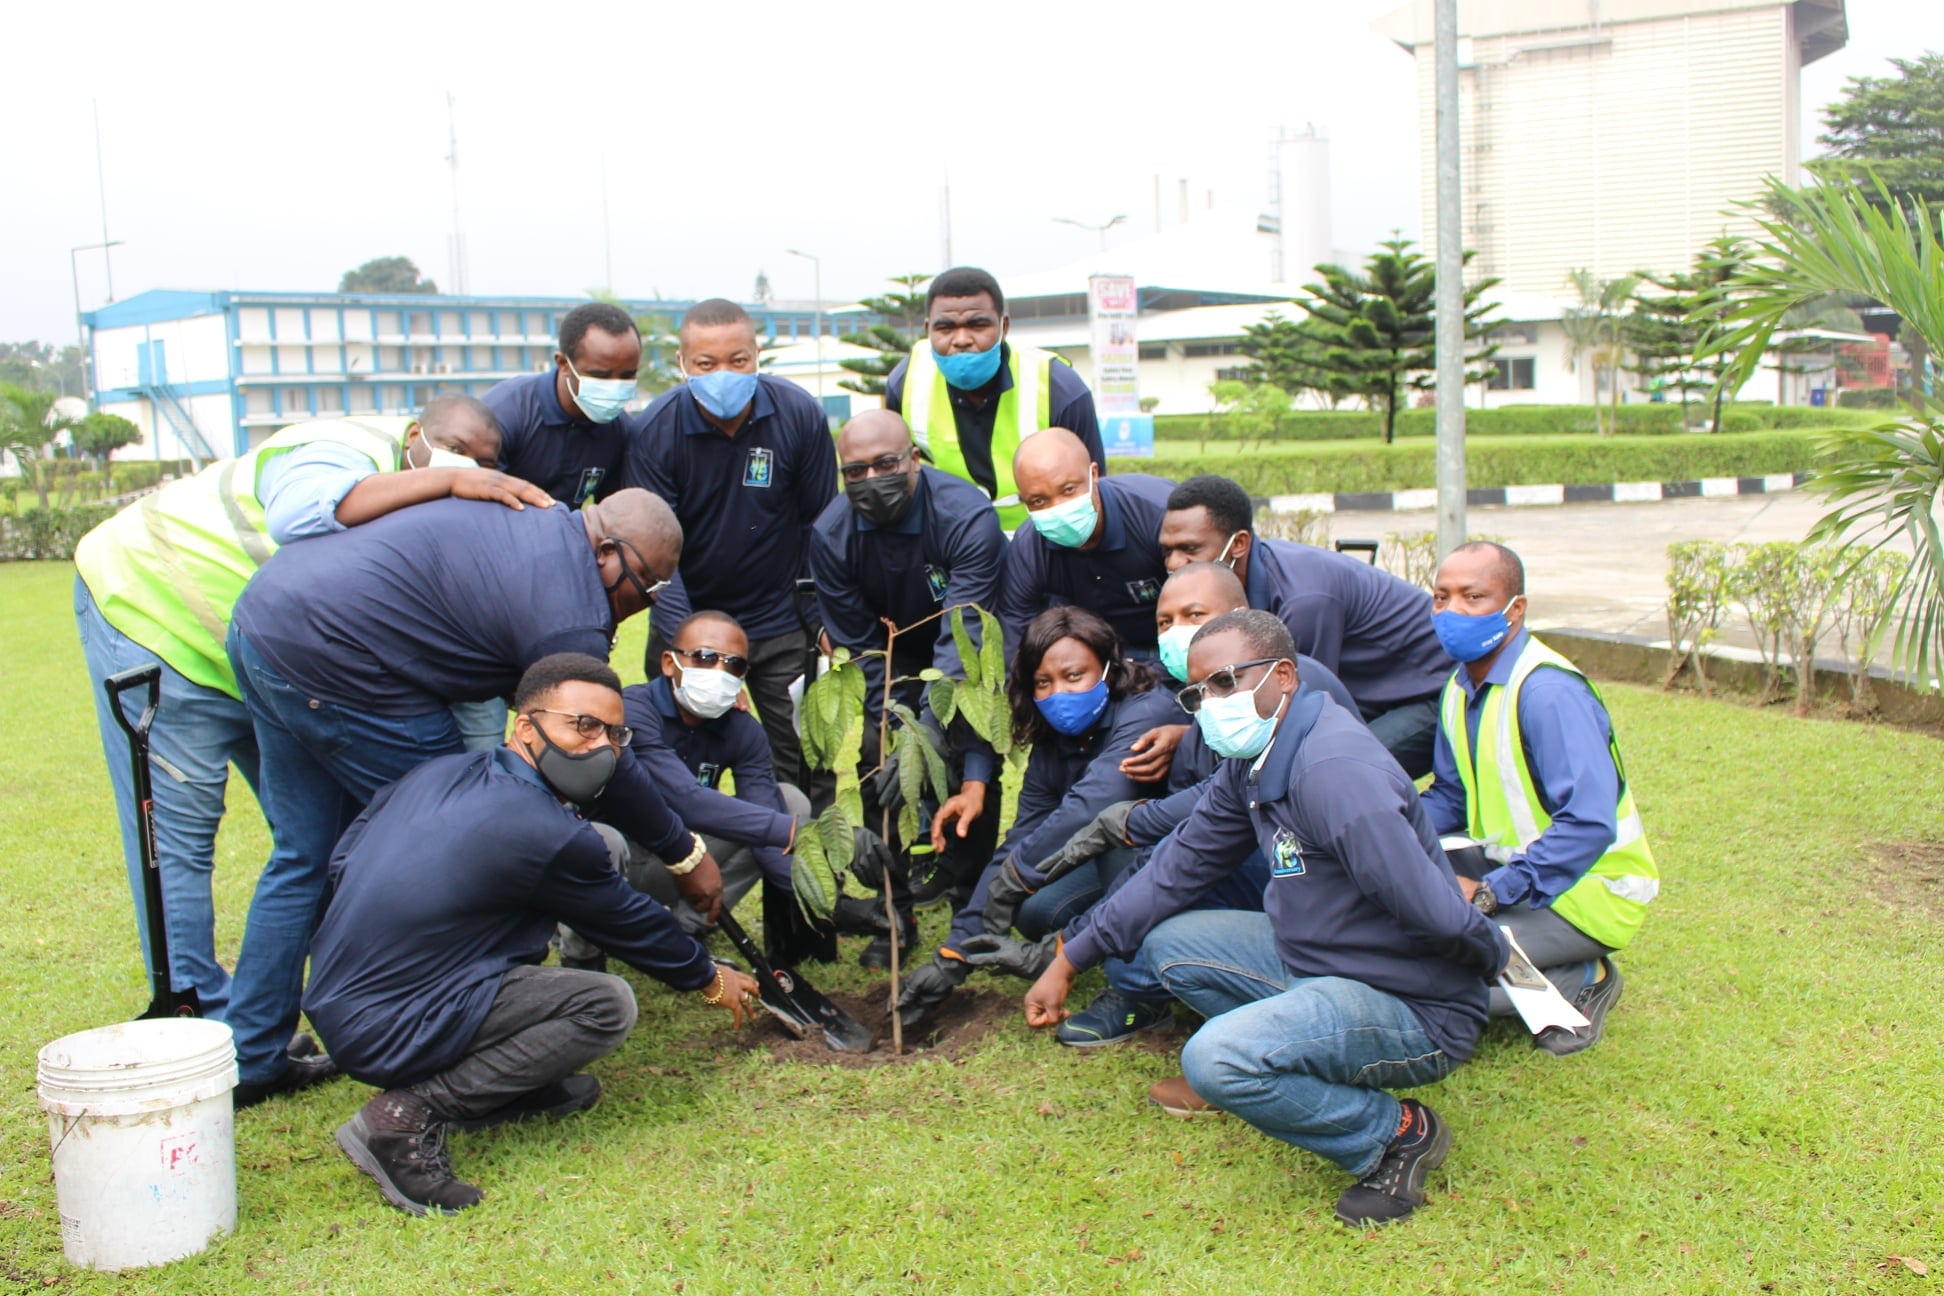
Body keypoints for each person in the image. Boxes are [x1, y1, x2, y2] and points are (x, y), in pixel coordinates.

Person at [224, 487, 722, 1106]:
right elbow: (602, 758)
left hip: (263, 621)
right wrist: (683, 852)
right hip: (342, 659)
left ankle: (253, 1055)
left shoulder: (532, 521)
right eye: (641, 588)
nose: (637, 608)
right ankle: (477, 1045)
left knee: (304, 855)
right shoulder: (569, 613)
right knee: (476, 834)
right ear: (606, 552)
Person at [1023, 610, 1510, 1228]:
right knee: (1170, 945)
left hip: (1413, 1003)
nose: (1209, 705)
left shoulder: (1334, 776)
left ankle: (1394, 1134)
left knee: (1214, 1058)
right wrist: (1071, 957)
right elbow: (1176, 868)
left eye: (1226, 682)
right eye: (1198, 693)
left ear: (1283, 674)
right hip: (1325, 966)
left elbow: (1438, 915)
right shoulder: (1257, 758)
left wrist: (1494, 960)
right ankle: (1282, 1056)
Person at [73, 400, 542, 1023]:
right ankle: (198, 1017)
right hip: (156, 616)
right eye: (461, 455)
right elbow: (300, 513)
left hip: (276, 665)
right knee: (180, 841)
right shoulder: (337, 444)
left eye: (487, 464)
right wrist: (453, 478)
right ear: (415, 437)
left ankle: (293, 1015)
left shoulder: (423, 507)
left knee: (314, 845)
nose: (474, 470)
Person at [305, 654, 763, 1217]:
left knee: (527, 960)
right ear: (526, 726)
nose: (602, 747)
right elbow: (626, 922)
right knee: (604, 1004)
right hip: (387, 1024)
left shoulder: (440, 773)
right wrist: (710, 978)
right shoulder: (546, 831)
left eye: (615, 734)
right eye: (582, 725)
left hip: (338, 996)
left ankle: (508, 1087)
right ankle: (404, 1117)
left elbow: (344, 857)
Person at [1024, 561, 1359, 1047]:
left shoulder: (1296, 689)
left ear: (1243, 616)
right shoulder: (1204, 706)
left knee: (1161, 899)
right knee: (1133, 872)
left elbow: (1205, 829)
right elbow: (1200, 828)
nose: (1179, 632)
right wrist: (1074, 948)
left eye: (1194, 614)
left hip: (1307, 882)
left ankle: (1140, 991)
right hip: (1253, 862)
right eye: (1165, 622)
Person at [1421, 541, 1659, 1054]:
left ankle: (1582, 978)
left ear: (1516, 608)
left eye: (1473, 597)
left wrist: (1490, 894)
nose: (1452, 611)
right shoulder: (1459, 688)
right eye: (1441, 598)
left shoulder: (1549, 693)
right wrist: (1385, 824)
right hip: (1512, 870)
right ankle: (1526, 959)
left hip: (1588, 890)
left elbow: (1589, 826)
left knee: (1435, 985)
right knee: (1397, 929)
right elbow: (1450, 799)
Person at [895, 607, 1181, 1026]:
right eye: (1043, 683)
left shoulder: (1146, 711)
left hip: (1174, 860)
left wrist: (1014, 880)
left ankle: (1136, 986)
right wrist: (956, 953)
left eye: (1074, 676)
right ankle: (1104, 932)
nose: (1059, 694)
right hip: (1115, 861)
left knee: (1121, 831)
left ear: (1108, 668)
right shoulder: (1055, 740)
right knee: (1036, 913)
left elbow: (1090, 806)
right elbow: (1023, 835)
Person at [625, 298, 838, 792]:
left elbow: (821, 526)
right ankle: (683, 865)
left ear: (757, 355)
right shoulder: (654, 432)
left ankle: (805, 866)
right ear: (683, 364)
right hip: (689, 621)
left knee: (806, 760)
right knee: (673, 770)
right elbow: (653, 552)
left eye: (738, 360)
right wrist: (702, 652)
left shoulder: (799, 415)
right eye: (706, 363)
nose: (724, 373)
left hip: (782, 626)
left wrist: (822, 617)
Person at [807, 409, 1009, 927]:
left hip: (958, 652)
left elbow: (962, 636)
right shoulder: (831, 536)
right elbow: (862, 652)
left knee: (967, 751)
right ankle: (894, 906)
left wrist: (929, 728)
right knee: (880, 763)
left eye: (885, 464)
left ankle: (969, 893)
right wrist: (896, 728)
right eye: (855, 471)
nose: (871, 480)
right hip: (889, 655)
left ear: (914, 460)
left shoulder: (965, 516)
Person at [557, 609, 812, 970]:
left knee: (789, 802)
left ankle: (683, 933)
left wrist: (823, 898)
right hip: (618, 863)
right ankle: (582, 958)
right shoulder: (632, 711)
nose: (719, 673)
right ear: (669, 662)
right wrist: (804, 834)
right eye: (705, 658)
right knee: (596, 842)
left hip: (684, 861)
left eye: (735, 666)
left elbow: (768, 833)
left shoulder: (743, 730)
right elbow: (687, 802)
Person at [1157, 474, 1451, 777]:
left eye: (1190, 549)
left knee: (1337, 770)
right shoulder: (1239, 583)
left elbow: (1297, 714)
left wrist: (1188, 737)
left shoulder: (1303, 602)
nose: (1175, 564)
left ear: (1239, 544)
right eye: (1168, 551)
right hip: (1370, 692)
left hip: (1430, 693)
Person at [884, 266, 1103, 530]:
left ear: (1004, 326)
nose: (962, 340)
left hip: (1042, 541)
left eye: (977, 325)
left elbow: (1094, 492)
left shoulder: (1059, 388)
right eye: (946, 328)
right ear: (928, 329)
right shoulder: (906, 383)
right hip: (954, 542)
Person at [994, 428, 1174, 660]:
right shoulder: (1029, 547)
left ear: (1094, 474)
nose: (1057, 508)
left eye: (1068, 490)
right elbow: (1016, 634)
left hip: (1166, 652)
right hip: (1086, 661)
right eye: (1038, 500)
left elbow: (1206, 604)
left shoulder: (1157, 513)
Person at [481, 302, 642, 506]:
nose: (614, 386)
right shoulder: (504, 413)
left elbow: (613, 512)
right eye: (600, 376)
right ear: (563, 364)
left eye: (628, 375)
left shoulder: (621, 431)